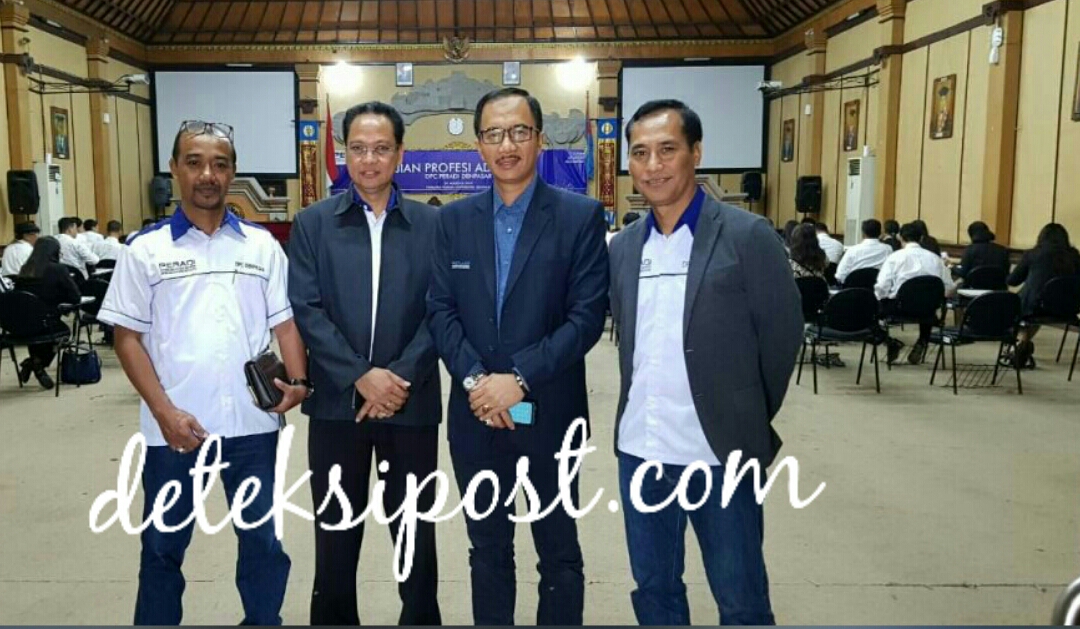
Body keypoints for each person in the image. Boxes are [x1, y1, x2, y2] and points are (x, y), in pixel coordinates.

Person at [98, 119, 308, 626]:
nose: (207, 175)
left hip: (252, 427)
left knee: (261, 541)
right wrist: (164, 413)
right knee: (162, 545)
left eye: (219, 164)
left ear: (233, 172)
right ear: (174, 169)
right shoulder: (145, 249)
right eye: (194, 163)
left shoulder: (260, 246)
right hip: (175, 430)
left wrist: (299, 383)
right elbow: (127, 339)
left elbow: (284, 324)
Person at [609, 99, 801, 625]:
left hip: (719, 455)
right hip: (642, 450)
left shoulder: (747, 236)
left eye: (667, 150)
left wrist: (742, 413)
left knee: (740, 597)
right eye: (640, 153)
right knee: (654, 590)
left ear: (696, 153)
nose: (653, 165)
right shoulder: (624, 247)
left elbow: (782, 338)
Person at [427, 87, 608, 625]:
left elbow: (585, 318)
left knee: (558, 550)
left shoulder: (579, 216)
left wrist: (519, 379)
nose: (507, 145)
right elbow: (440, 310)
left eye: (519, 132)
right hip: (476, 416)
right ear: (479, 145)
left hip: (550, 414)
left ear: (539, 139)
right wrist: (478, 382)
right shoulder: (453, 222)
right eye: (494, 134)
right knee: (487, 549)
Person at [287, 101, 443, 625]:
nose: (369, 160)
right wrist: (359, 375)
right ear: (343, 154)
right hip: (337, 406)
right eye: (358, 148)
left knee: (415, 533)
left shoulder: (433, 225)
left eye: (380, 149)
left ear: (400, 154)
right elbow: (306, 308)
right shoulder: (313, 224)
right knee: (335, 531)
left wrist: (397, 378)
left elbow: (441, 309)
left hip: (410, 402)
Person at [1007, 223, 1080, 367]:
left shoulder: (1032, 254)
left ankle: (1019, 343)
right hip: (1068, 310)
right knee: (1036, 307)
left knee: (1020, 309)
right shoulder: (1074, 256)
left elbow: (1013, 281)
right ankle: (1022, 343)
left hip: (1038, 308)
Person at [875, 222, 955, 364]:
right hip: (928, 310)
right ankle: (922, 341)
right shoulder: (935, 259)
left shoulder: (895, 257)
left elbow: (882, 286)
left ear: (900, 237)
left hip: (900, 307)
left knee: (870, 312)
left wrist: (881, 298)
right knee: (925, 300)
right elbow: (949, 287)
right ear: (922, 238)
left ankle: (890, 342)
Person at [11, 236, 79, 389]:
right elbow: (75, 297)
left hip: (22, 325)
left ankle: (34, 362)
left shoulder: (25, 269)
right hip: (48, 322)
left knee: (36, 334)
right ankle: (37, 364)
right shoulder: (58, 270)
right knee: (64, 333)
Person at [835, 218, 892, 284]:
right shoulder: (888, 249)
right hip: (877, 288)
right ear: (880, 233)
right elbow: (890, 272)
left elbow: (840, 275)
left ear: (863, 234)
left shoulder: (852, 250)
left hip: (854, 288)